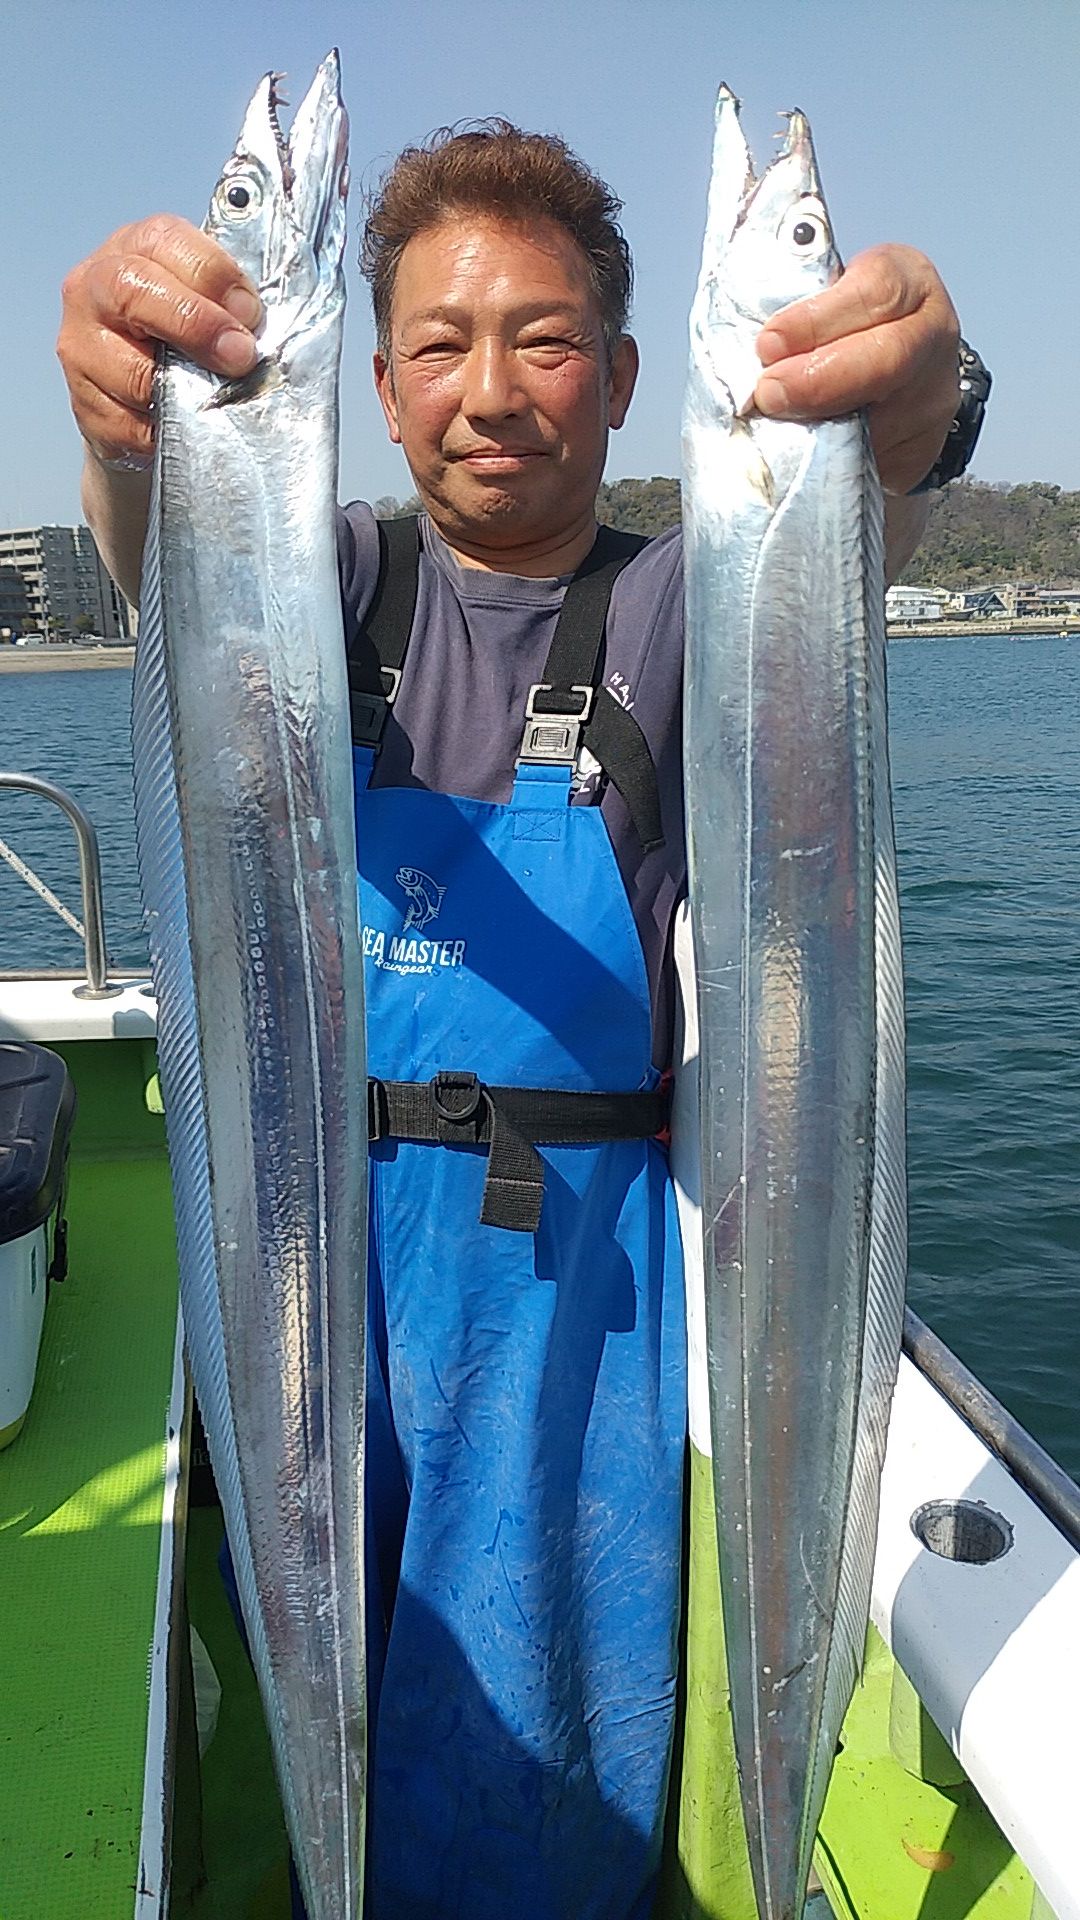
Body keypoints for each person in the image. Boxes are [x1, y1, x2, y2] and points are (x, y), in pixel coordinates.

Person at [58, 122, 973, 1920]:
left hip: (569, 1299)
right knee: (316, 1669)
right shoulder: (314, 579)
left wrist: (919, 414)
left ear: (624, 379)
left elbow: (851, 529)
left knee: (543, 1735)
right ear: (376, 388)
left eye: (546, 342)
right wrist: (124, 428)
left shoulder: (688, 599)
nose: (491, 391)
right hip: (315, 1249)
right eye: (441, 345)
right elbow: (162, 547)